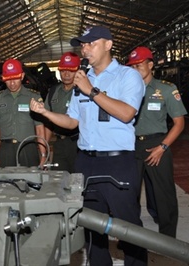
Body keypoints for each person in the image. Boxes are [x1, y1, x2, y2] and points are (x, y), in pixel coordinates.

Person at [30, 26, 148, 265]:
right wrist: (46, 113)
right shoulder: (82, 80)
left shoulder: (128, 76)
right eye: (83, 44)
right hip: (86, 162)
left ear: (108, 44)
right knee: (92, 227)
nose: (85, 49)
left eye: (91, 43)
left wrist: (91, 91)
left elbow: (126, 113)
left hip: (118, 162)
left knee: (129, 228)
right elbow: (73, 121)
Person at [127, 46, 187, 238]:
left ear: (150, 64)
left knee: (165, 194)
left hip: (157, 144)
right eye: (132, 66)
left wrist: (162, 147)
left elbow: (179, 123)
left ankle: (168, 239)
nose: (136, 69)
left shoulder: (166, 89)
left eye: (139, 65)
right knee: (129, 193)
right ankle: (129, 234)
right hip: (131, 146)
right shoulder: (126, 90)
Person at [0, 58, 46, 167]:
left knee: (31, 181)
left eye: (15, 78)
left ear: (22, 76)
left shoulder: (34, 97)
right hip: (6, 150)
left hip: (28, 148)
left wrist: (43, 154)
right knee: (8, 182)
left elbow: (39, 129)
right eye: (8, 79)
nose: (12, 83)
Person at [44, 52, 80, 172]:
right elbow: (48, 122)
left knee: (79, 182)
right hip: (59, 144)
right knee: (58, 182)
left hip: (79, 144)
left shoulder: (83, 91)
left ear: (78, 70)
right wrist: (45, 149)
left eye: (71, 70)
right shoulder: (53, 91)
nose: (66, 74)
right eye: (63, 70)